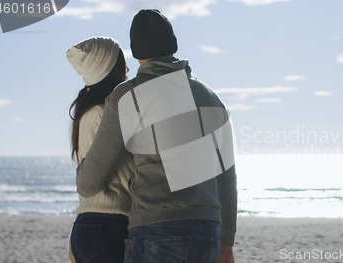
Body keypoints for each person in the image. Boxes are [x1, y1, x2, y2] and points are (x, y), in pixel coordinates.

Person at [75, 9, 237, 263]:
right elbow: (227, 178)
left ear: (136, 53)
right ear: (173, 45)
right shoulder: (212, 98)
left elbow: (89, 182)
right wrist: (226, 246)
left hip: (159, 229)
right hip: (209, 232)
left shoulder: (128, 96)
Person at [66, 36, 134, 263]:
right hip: (110, 227)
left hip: (88, 224)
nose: (127, 68)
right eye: (122, 63)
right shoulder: (107, 114)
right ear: (110, 70)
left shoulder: (87, 112)